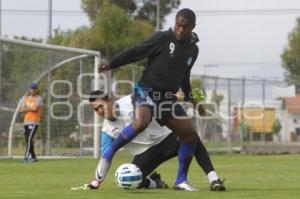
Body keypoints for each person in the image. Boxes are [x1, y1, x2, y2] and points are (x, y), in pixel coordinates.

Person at [94, 8, 201, 191]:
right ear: (174, 23)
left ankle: (182, 180)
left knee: (190, 135)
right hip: (146, 91)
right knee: (141, 121)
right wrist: (112, 63)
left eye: (185, 26)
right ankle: (108, 155)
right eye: (178, 25)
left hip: (167, 99)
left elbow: (185, 77)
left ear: (193, 27)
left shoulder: (193, 50)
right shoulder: (162, 38)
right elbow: (136, 52)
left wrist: (195, 101)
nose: (181, 29)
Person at [80, 90, 225, 191]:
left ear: (109, 101)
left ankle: (214, 180)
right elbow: (106, 156)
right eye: (96, 109)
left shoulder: (131, 101)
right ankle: (155, 182)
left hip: (169, 138)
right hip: (147, 152)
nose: (99, 111)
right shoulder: (106, 131)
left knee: (191, 136)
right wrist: (95, 182)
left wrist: (184, 96)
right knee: (129, 180)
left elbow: (158, 97)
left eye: (101, 106)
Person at [19, 82, 43, 163]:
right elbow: (21, 109)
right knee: (27, 139)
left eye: (34, 88)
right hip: (26, 121)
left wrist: (27, 107)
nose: (33, 90)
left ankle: (26, 157)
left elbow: (35, 108)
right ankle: (33, 157)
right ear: (29, 89)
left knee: (29, 138)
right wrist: (30, 108)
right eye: (31, 88)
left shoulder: (38, 98)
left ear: (36, 90)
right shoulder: (25, 98)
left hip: (34, 121)